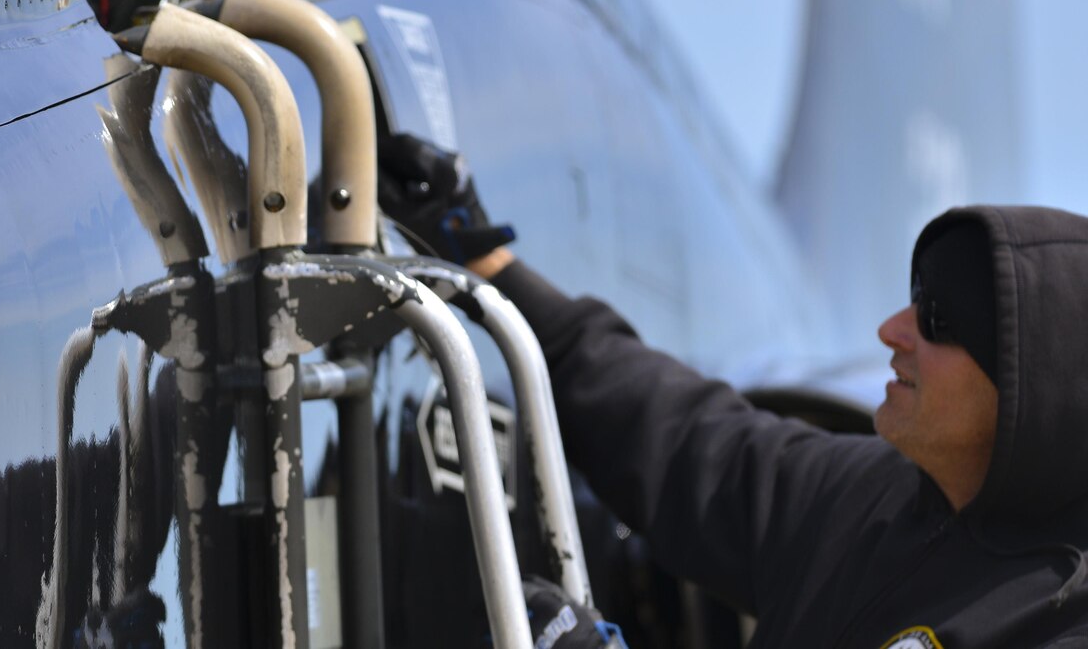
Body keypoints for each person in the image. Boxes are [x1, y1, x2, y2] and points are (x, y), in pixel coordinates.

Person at [382, 133, 1088, 648]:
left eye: (936, 320)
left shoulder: (1060, 622)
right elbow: (679, 435)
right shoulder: (867, 500)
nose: (891, 329)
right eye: (912, 296)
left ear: (1036, 384)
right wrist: (486, 266)